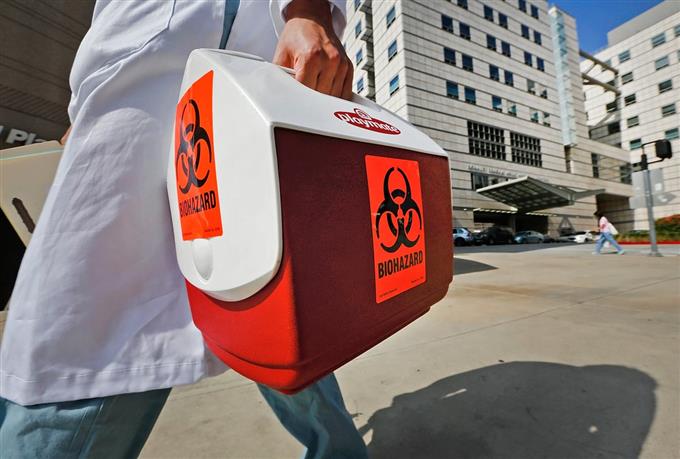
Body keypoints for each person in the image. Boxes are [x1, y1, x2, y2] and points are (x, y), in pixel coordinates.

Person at [0, 1, 367, 457]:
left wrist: (306, 11)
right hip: (142, 65)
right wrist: (88, 105)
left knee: (270, 304)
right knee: (88, 320)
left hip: (250, 82)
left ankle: (339, 451)